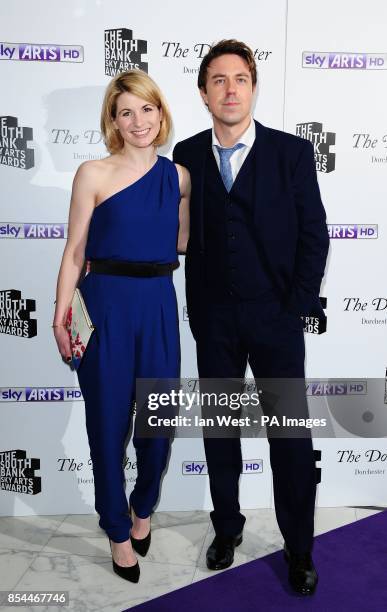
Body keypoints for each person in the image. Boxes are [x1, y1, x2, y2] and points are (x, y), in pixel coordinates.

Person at [173, 40, 329, 596]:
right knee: (221, 432)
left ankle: (300, 548)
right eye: (218, 80)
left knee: (288, 438)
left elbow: (315, 235)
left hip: (276, 319)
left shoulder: (291, 153)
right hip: (213, 320)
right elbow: (175, 235)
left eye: (240, 78)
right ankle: (226, 527)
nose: (230, 89)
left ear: (254, 87)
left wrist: (295, 308)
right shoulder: (186, 155)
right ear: (203, 92)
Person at [53, 69, 190, 583]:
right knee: (107, 428)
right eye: (126, 111)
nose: (138, 121)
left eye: (147, 109)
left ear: (161, 114)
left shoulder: (179, 178)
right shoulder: (92, 173)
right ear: (112, 119)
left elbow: (182, 242)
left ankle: (142, 508)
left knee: (159, 423)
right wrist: (60, 313)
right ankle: (116, 532)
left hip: (158, 303)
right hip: (104, 304)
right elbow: (73, 252)